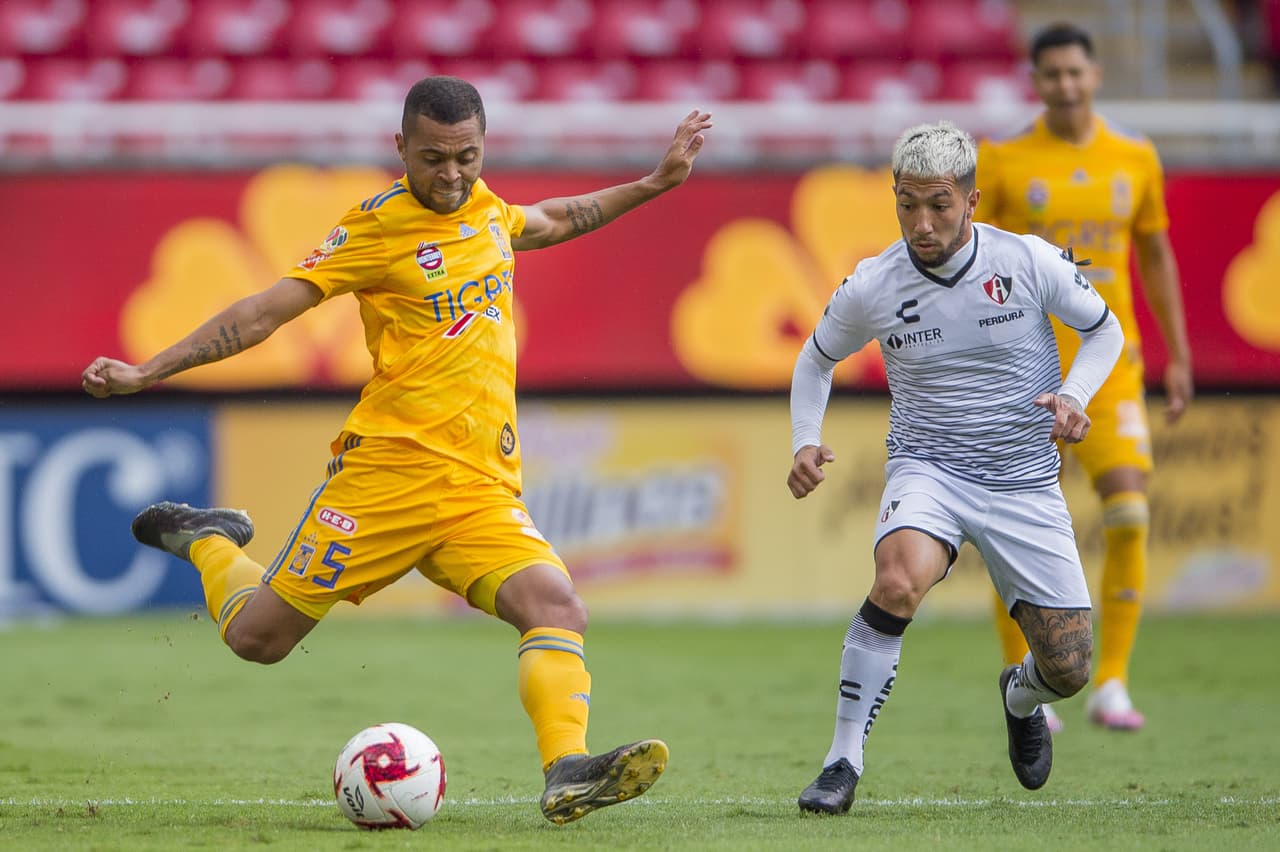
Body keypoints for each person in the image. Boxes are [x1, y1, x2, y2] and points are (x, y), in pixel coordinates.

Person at [80, 76, 711, 826]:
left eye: (467, 157)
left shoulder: (486, 211)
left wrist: (654, 182)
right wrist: (149, 370)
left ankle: (566, 767)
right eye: (434, 158)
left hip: (478, 485)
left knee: (555, 604)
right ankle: (211, 540)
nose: (451, 176)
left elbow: (549, 220)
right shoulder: (374, 230)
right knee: (258, 641)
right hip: (385, 478)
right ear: (401, 148)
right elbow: (263, 313)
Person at [786, 121, 1124, 814]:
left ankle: (1018, 696)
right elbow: (816, 357)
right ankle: (841, 760)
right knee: (897, 579)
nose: (922, 221)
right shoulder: (874, 283)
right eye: (907, 203)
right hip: (929, 469)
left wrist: (1075, 396)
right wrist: (803, 439)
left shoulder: (1026, 261)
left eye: (939, 204)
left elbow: (1104, 328)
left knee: (1069, 669)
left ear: (972, 201)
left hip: (1024, 477)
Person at [977, 22, 1192, 732]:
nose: (1065, 85)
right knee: (1013, 529)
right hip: (1024, 371)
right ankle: (1027, 677)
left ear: (1095, 74)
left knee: (1130, 513)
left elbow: (1155, 257)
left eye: (1076, 72)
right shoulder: (1003, 160)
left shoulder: (1135, 157)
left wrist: (1179, 355)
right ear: (1034, 82)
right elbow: (977, 265)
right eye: (1052, 75)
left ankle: (1111, 684)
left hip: (1112, 370)